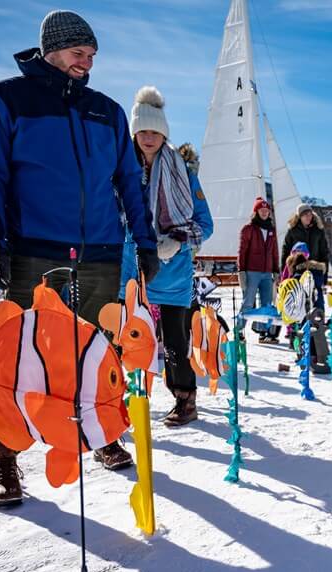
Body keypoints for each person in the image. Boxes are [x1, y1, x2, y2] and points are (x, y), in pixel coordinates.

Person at [0, 10, 159, 507]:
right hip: (34, 246)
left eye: (92, 56)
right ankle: (1, 451)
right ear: (52, 49)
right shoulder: (6, 99)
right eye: (79, 53)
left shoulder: (107, 111)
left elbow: (128, 187)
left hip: (100, 250)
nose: (86, 63)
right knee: (21, 355)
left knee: (96, 352)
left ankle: (96, 432)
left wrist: (146, 243)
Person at [122, 86, 213, 427]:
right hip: (130, 271)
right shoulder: (120, 171)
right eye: (142, 131)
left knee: (175, 342)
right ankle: (123, 402)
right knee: (125, 340)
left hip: (172, 272)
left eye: (155, 132)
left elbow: (205, 223)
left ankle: (185, 401)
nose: (148, 138)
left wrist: (176, 242)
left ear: (164, 135)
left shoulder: (183, 173)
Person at [238, 197, 281, 343]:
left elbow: (274, 252)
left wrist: (276, 270)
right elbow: (242, 251)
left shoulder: (272, 231)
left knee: (267, 304)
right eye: (261, 210)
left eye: (266, 210)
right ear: (256, 212)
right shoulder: (248, 229)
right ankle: (239, 331)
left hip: (267, 273)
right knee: (248, 302)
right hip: (251, 272)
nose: (264, 212)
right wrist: (241, 271)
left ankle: (263, 332)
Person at [281, 203, 329, 313]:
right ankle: (299, 323)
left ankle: (319, 322)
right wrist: (285, 273)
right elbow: (285, 252)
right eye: (305, 214)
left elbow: (324, 252)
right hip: (298, 270)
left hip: (315, 269)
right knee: (299, 300)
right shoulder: (292, 231)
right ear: (299, 216)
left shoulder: (318, 230)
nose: (308, 216)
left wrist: (325, 276)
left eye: (310, 214)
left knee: (318, 298)